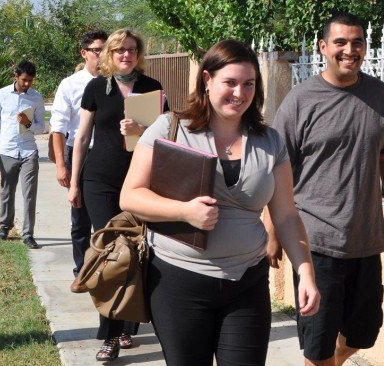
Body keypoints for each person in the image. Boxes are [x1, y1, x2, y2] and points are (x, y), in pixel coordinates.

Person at [119, 39, 321, 365]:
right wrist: (184, 211)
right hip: (177, 283)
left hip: (247, 284)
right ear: (207, 80)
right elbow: (130, 195)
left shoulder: (270, 142)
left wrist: (306, 273)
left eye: (249, 84)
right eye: (230, 82)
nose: (239, 93)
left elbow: (285, 215)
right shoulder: (170, 128)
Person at [268, 12, 384, 366]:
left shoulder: (379, 95)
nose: (350, 50)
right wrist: (271, 230)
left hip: (365, 239)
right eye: (340, 42)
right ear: (323, 47)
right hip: (314, 243)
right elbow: (275, 171)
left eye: (357, 42)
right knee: (317, 348)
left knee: (363, 334)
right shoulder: (300, 101)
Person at [67, 28, 163, 362]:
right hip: (101, 181)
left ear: (139, 54)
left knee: (138, 252)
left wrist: (143, 130)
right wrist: (75, 183)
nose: (126, 55)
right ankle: (108, 334)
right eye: (120, 50)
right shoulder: (96, 88)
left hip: (140, 181)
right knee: (110, 252)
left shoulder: (151, 88)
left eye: (132, 50)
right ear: (110, 53)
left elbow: (167, 138)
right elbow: (81, 138)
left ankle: (127, 325)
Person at [48, 29, 107, 277]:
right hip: (79, 153)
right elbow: (58, 128)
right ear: (84, 53)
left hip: (108, 153)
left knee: (108, 217)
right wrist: (62, 165)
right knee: (80, 217)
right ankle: (82, 270)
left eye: (107, 50)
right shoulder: (70, 85)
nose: (103, 55)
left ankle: (108, 269)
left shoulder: (115, 83)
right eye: (97, 51)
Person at [0, 60, 45, 250]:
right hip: (7, 151)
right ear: (15, 76)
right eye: (24, 80)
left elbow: (42, 127)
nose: (27, 84)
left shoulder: (36, 97)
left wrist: (27, 123)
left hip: (28, 151)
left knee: (29, 194)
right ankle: (4, 227)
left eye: (31, 81)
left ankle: (28, 234)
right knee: (7, 191)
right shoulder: (1, 95)